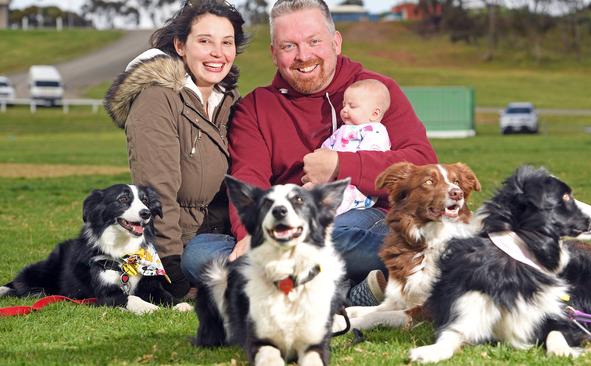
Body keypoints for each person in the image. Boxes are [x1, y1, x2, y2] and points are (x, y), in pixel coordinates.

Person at [181, 0, 438, 306]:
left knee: (338, 235)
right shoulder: (255, 108)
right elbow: (249, 177)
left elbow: (424, 165)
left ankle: (278, 284)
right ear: (274, 53)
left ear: (336, 42)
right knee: (198, 255)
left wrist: (342, 164)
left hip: (358, 219)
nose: (304, 56)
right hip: (284, 226)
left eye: (314, 41)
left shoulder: (376, 91)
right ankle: (347, 293)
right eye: (289, 46)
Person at [104, 0, 247, 299]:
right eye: (205, 41)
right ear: (180, 45)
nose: (218, 53)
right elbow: (156, 191)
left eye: (227, 42)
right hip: (181, 244)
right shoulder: (158, 99)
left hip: (223, 233)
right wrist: (171, 267)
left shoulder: (231, 99)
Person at [310, 79, 392, 216]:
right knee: (310, 189)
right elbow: (328, 146)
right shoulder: (344, 129)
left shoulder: (375, 131)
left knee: (344, 196)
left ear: (375, 114)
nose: (344, 110)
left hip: (358, 187)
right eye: (344, 105)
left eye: (352, 106)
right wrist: (320, 157)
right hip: (334, 179)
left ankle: (326, 213)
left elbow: (371, 158)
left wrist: (344, 164)